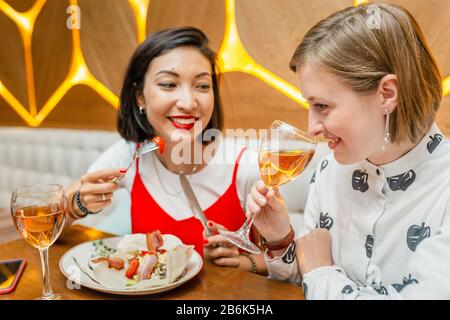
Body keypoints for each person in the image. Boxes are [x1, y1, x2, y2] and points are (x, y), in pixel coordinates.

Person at [246, 2, 450, 299]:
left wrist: (320, 274)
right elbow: (305, 279)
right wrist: (280, 239)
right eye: (310, 105)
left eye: (322, 106)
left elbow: (317, 274)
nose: (312, 127)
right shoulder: (330, 170)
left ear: (387, 94)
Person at [64, 27, 266, 274]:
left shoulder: (244, 165)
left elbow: (289, 261)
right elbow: (52, 222)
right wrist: (78, 204)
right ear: (140, 97)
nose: (188, 103)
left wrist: (247, 262)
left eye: (202, 86)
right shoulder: (131, 154)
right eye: (169, 84)